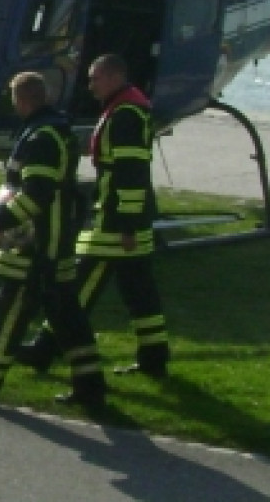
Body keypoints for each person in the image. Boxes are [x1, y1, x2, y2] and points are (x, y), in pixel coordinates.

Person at [0, 73, 106, 409]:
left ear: (22, 100)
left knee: (7, 309)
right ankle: (90, 384)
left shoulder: (41, 137)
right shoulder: (55, 130)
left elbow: (37, 193)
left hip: (37, 244)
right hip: (55, 240)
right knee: (66, 316)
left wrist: (0, 220)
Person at [19, 53, 170, 384]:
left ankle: (46, 347)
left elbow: (130, 172)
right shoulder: (128, 109)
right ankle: (154, 356)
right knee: (138, 290)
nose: (90, 86)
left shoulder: (125, 115)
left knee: (78, 288)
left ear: (115, 77)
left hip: (115, 220)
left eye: (95, 78)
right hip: (128, 215)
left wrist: (127, 223)